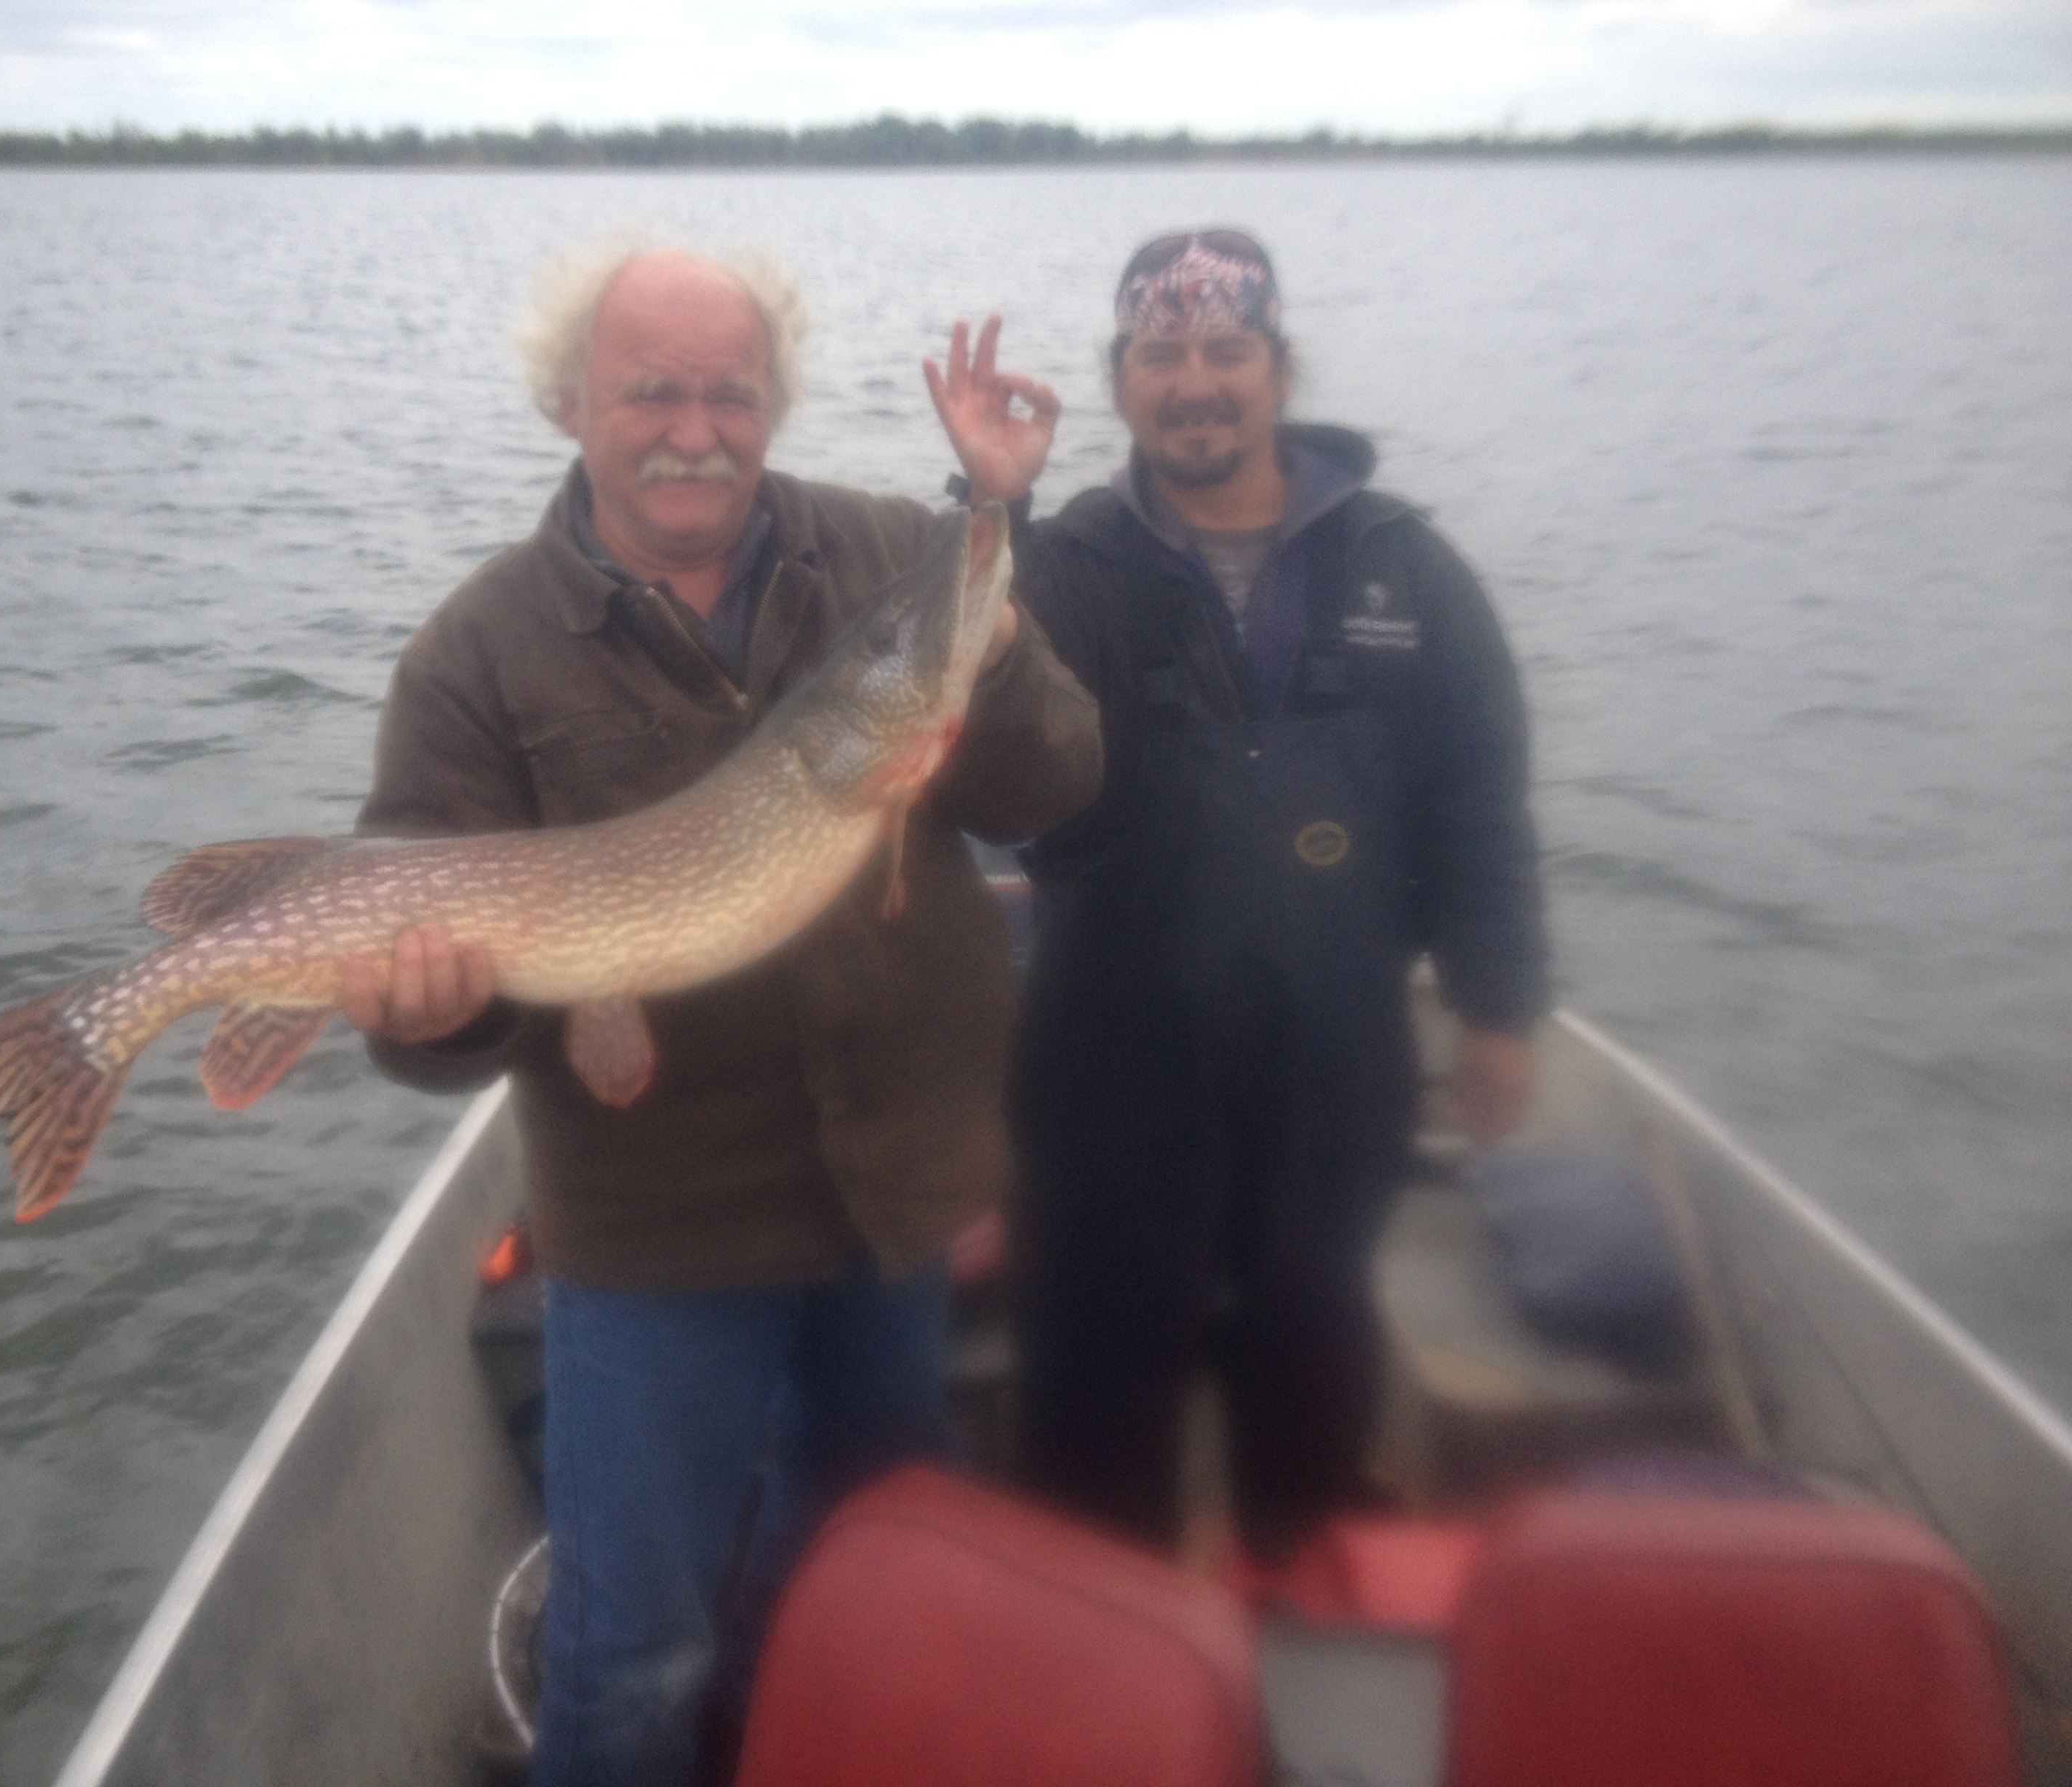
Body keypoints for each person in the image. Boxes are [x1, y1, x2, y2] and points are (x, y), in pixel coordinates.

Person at [342, 245, 1101, 1787]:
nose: (695, 427)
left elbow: (1056, 785)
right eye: (652, 392)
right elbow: (429, 1045)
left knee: (858, 1562)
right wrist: (424, 1013)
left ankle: (790, 1742)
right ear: (570, 402)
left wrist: (994, 611)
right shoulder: (476, 653)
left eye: (729, 393)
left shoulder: (893, 551)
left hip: (895, 1194)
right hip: (655, 1232)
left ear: (772, 408)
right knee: (633, 1649)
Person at [1008, 228, 1550, 1559]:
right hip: (1106, 1057)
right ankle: (1100, 1669)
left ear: (1281, 367)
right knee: (1088, 1402)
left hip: (1334, 1061)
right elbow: (966, 730)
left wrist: (1498, 1007)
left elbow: (1478, 795)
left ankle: (1299, 1643)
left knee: (1310, 1367)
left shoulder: (1405, 568)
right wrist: (994, 510)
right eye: (1160, 354)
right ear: (1120, 380)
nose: (1195, 382)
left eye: (1226, 350)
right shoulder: (1066, 563)